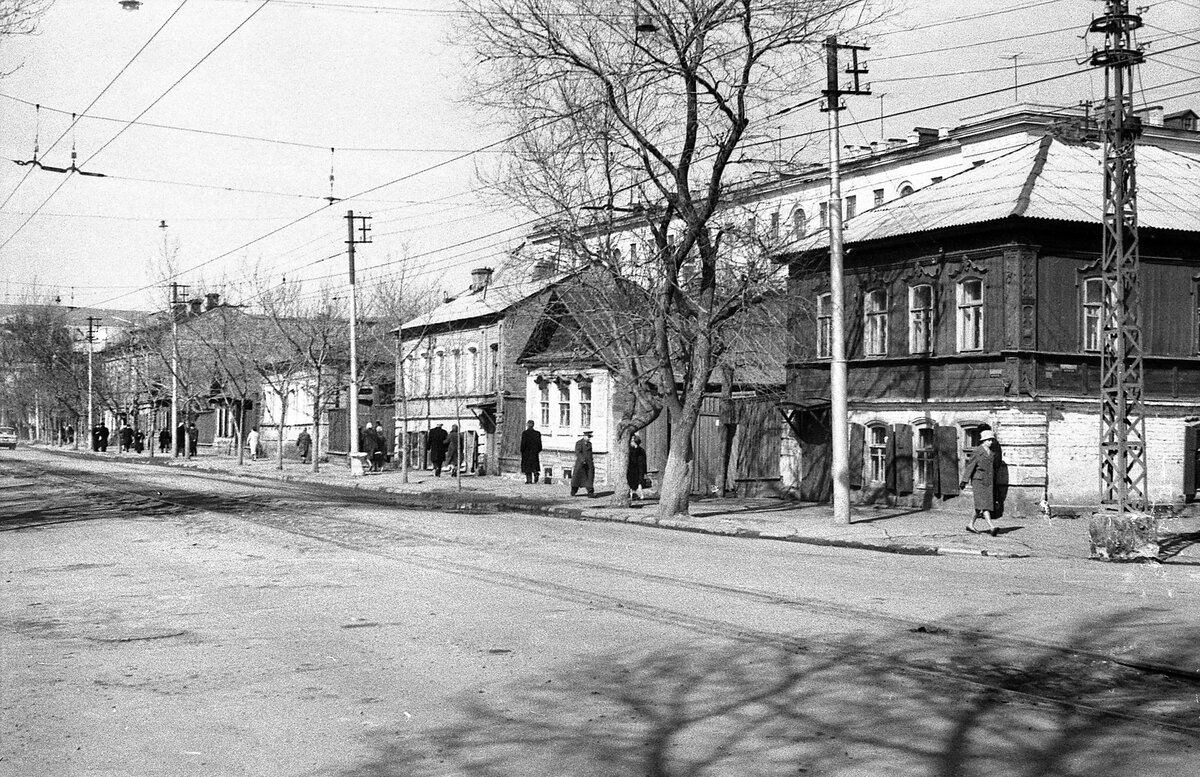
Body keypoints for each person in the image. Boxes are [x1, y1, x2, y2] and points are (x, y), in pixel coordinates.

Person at [961, 428, 999, 536]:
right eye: (988, 440)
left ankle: (970, 525)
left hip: (988, 482)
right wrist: (964, 480)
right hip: (978, 481)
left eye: (992, 440)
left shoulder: (991, 453)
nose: (991, 442)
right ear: (983, 441)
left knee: (980, 506)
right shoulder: (978, 452)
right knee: (984, 505)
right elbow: (970, 466)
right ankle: (991, 527)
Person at [570, 430, 595, 497]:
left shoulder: (590, 444)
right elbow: (578, 452)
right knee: (577, 478)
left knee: (589, 478)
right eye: (588, 437)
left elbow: (590, 454)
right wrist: (582, 460)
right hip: (581, 464)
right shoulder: (579, 443)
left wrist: (591, 461)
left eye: (590, 437)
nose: (589, 438)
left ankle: (590, 492)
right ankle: (573, 491)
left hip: (589, 464)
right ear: (584, 436)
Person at [627, 434, 648, 500]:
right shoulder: (629, 450)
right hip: (631, 469)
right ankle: (633, 493)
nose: (632, 443)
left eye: (634, 441)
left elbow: (643, 462)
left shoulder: (641, 450)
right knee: (631, 481)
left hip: (639, 469)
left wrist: (644, 472)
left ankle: (638, 493)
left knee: (639, 482)